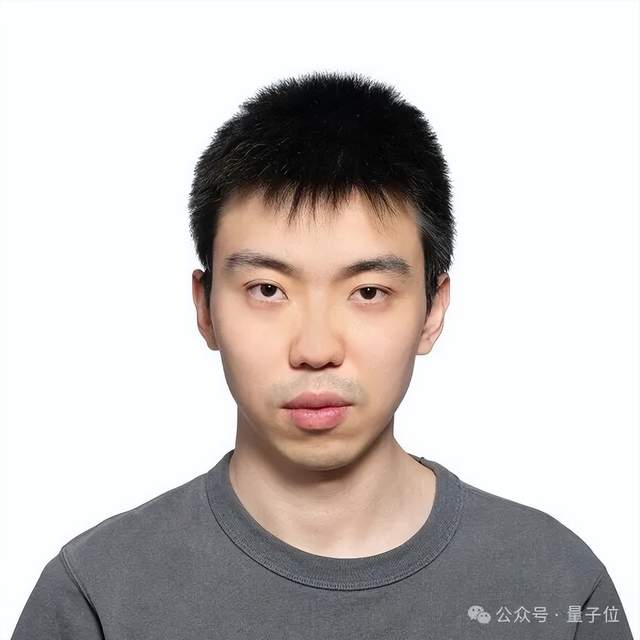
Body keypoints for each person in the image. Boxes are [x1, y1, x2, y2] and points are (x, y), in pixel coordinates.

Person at [11, 70, 634, 640]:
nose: (315, 350)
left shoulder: (557, 589)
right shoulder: (97, 597)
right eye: (267, 290)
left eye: (368, 292)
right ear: (205, 308)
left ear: (432, 310)